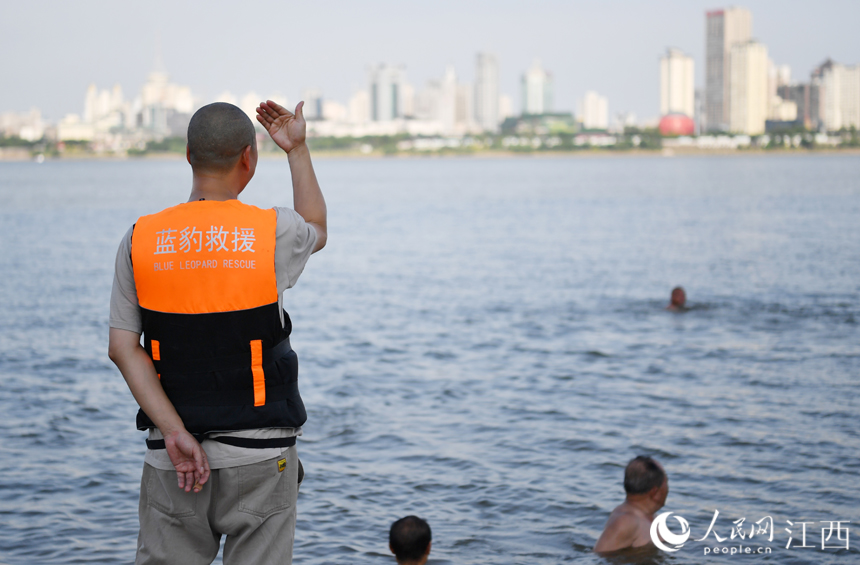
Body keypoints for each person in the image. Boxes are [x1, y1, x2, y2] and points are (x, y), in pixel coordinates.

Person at [108, 99, 326, 565]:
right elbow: (317, 227)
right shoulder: (272, 232)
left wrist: (173, 432)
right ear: (248, 157)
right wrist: (297, 150)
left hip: (173, 457)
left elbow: (123, 348)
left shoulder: (139, 239)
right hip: (261, 455)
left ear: (188, 155)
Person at [593, 456, 669, 554]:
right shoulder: (625, 521)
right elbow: (598, 556)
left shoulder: (651, 517)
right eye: (666, 482)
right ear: (655, 492)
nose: (668, 488)